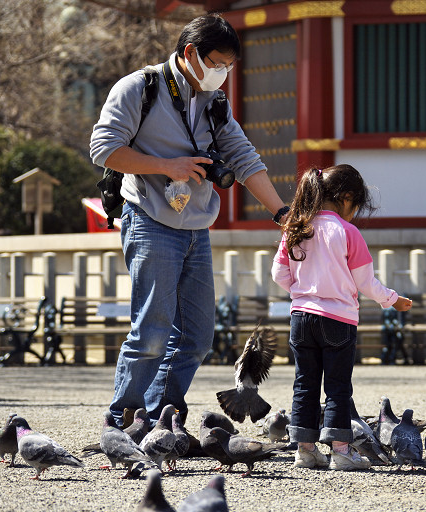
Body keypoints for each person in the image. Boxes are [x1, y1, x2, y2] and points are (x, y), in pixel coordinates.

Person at [89, 14, 288, 427]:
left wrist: (281, 213)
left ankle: (160, 418)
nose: (223, 74)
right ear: (189, 53)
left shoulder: (215, 102)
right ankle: (121, 421)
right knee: (152, 332)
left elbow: (244, 158)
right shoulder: (138, 88)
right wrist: (168, 166)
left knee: (197, 337)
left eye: (229, 67)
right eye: (217, 63)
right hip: (149, 219)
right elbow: (104, 148)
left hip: (196, 228)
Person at [271, 165, 413, 470]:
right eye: (356, 205)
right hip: (338, 320)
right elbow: (366, 284)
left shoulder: (296, 228)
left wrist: (302, 291)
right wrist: (394, 300)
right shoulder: (348, 233)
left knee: (304, 383)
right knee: (337, 387)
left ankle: (305, 449)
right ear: (346, 198)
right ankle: (341, 450)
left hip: (300, 317)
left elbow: (278, 274)